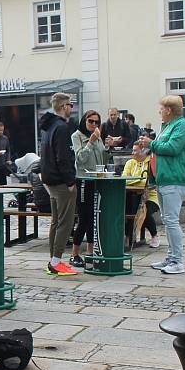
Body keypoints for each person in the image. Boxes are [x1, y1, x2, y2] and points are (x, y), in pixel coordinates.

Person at [138, 95, 185, 275]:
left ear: (169, 110)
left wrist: (151, 143)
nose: (159, 112)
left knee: (171, 220)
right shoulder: (169, 126)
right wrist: (149, 146)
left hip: (174, 178)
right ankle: (171, 257)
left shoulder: (182, 125)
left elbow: (172, 148)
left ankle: (177, 261)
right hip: (164, 178)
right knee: (167, 219)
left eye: (161, 109)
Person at [39, 93, 78, 276]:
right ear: (63, 106)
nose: (71, 108)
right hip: (62, 182)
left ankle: (53, 260)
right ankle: (56, 262)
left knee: (56, 222)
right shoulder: (61, 127)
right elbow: (63, 157)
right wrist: (70, 181)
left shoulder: (48, 127)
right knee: (65, 222)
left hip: (50, 180)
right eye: (70, 104)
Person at [69, 110, 105, 267]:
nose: (94, 124)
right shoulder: (76, 136)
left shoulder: (97, 135)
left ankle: (90, 251)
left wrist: (109, 147)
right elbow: (80, 159)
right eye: (91, 121)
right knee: (84, 217)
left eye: (97, 122)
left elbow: (103, 155)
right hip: (84, 179)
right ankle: (74, 253)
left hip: (97, 179)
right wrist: (91, 141)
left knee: (94, 218)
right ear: (84, 120)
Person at [122, 142, 160, 248]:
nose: (132, 153)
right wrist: (140, 180)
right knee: (128, 209)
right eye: (133, 150)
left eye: (135, 150)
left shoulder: (151, 164)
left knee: (144, 211)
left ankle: (154, 235)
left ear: (143, 152)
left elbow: (149, 182)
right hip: (132, 195)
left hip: (150, 196)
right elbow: (124, 179)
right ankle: (128, 237)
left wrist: (133, 179)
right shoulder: (130, 163)